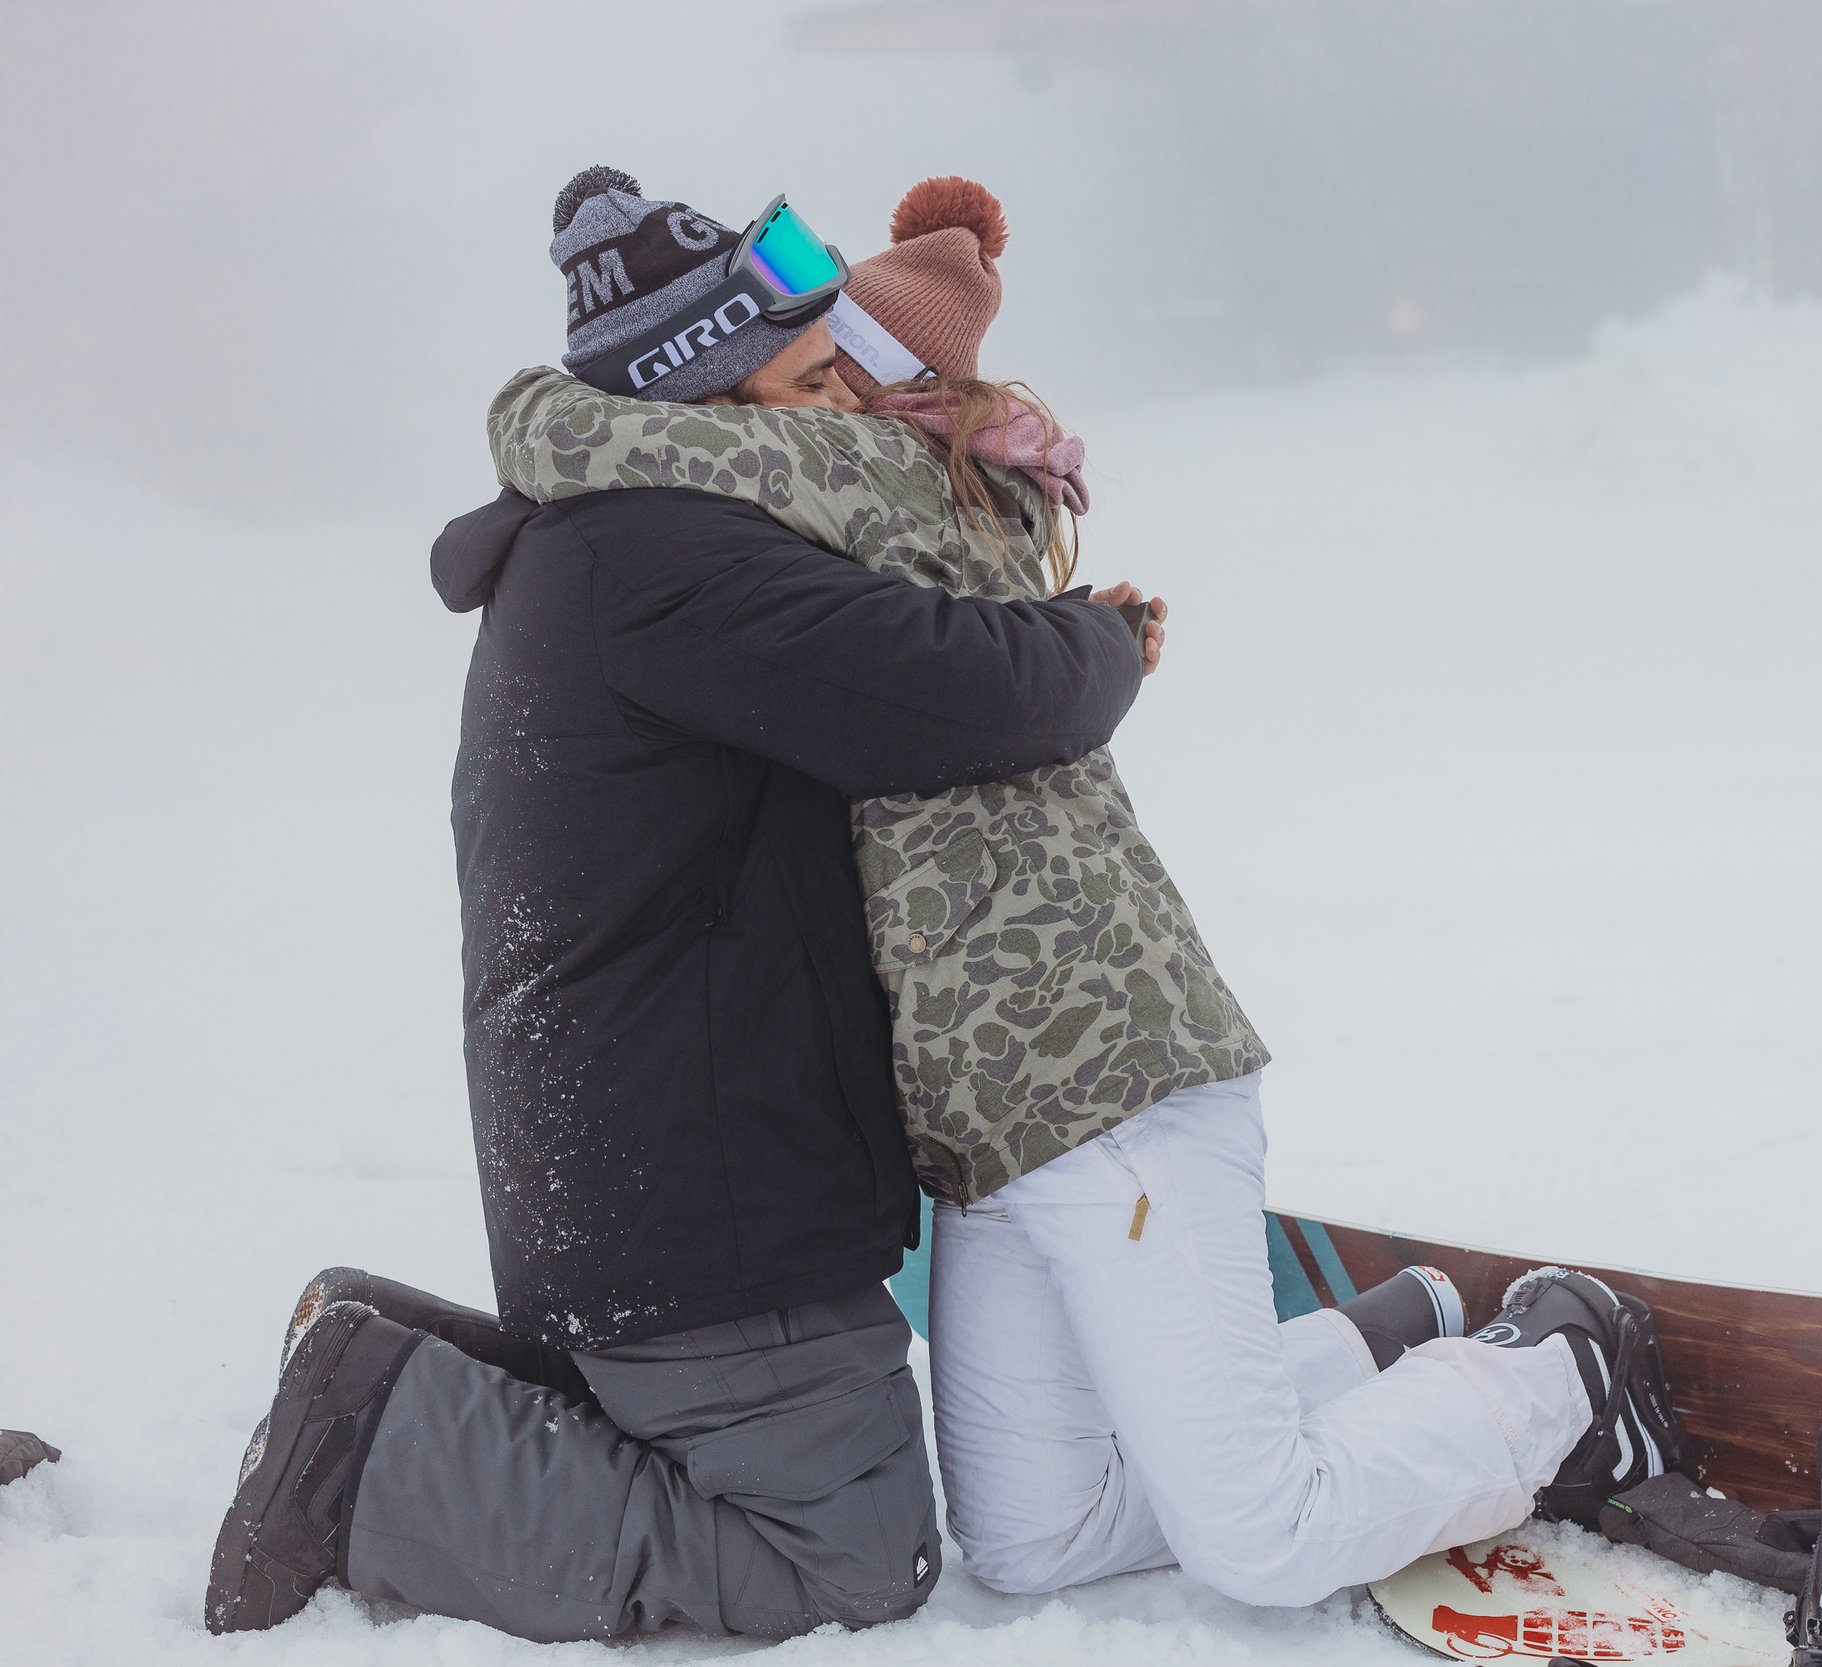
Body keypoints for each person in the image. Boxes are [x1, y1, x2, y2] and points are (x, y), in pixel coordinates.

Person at [486, 171, 1688, 1610]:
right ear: (721, 403)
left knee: (1265, 1540)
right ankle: (1392, 1342)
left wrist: (921, 350)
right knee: (1033, 1540)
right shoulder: (775, 531)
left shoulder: (890, 500)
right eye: (811, 383)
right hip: (986, 1118)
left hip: (1105, 1070)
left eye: (850, 380)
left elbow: (918, 482)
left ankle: (1569, 1381)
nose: (841, 408)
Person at [202, 168, 1155, 1642]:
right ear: (700, 378)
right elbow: (955, 692)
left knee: (779, 1496)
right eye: (806, 362)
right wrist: (1090, 643)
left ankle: (388, 1371)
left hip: (647, 1162)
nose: (841, 390)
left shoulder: (616, 537)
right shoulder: (666, 552)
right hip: (700, 1181)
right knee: (848, 1560)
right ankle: (372, 1451)